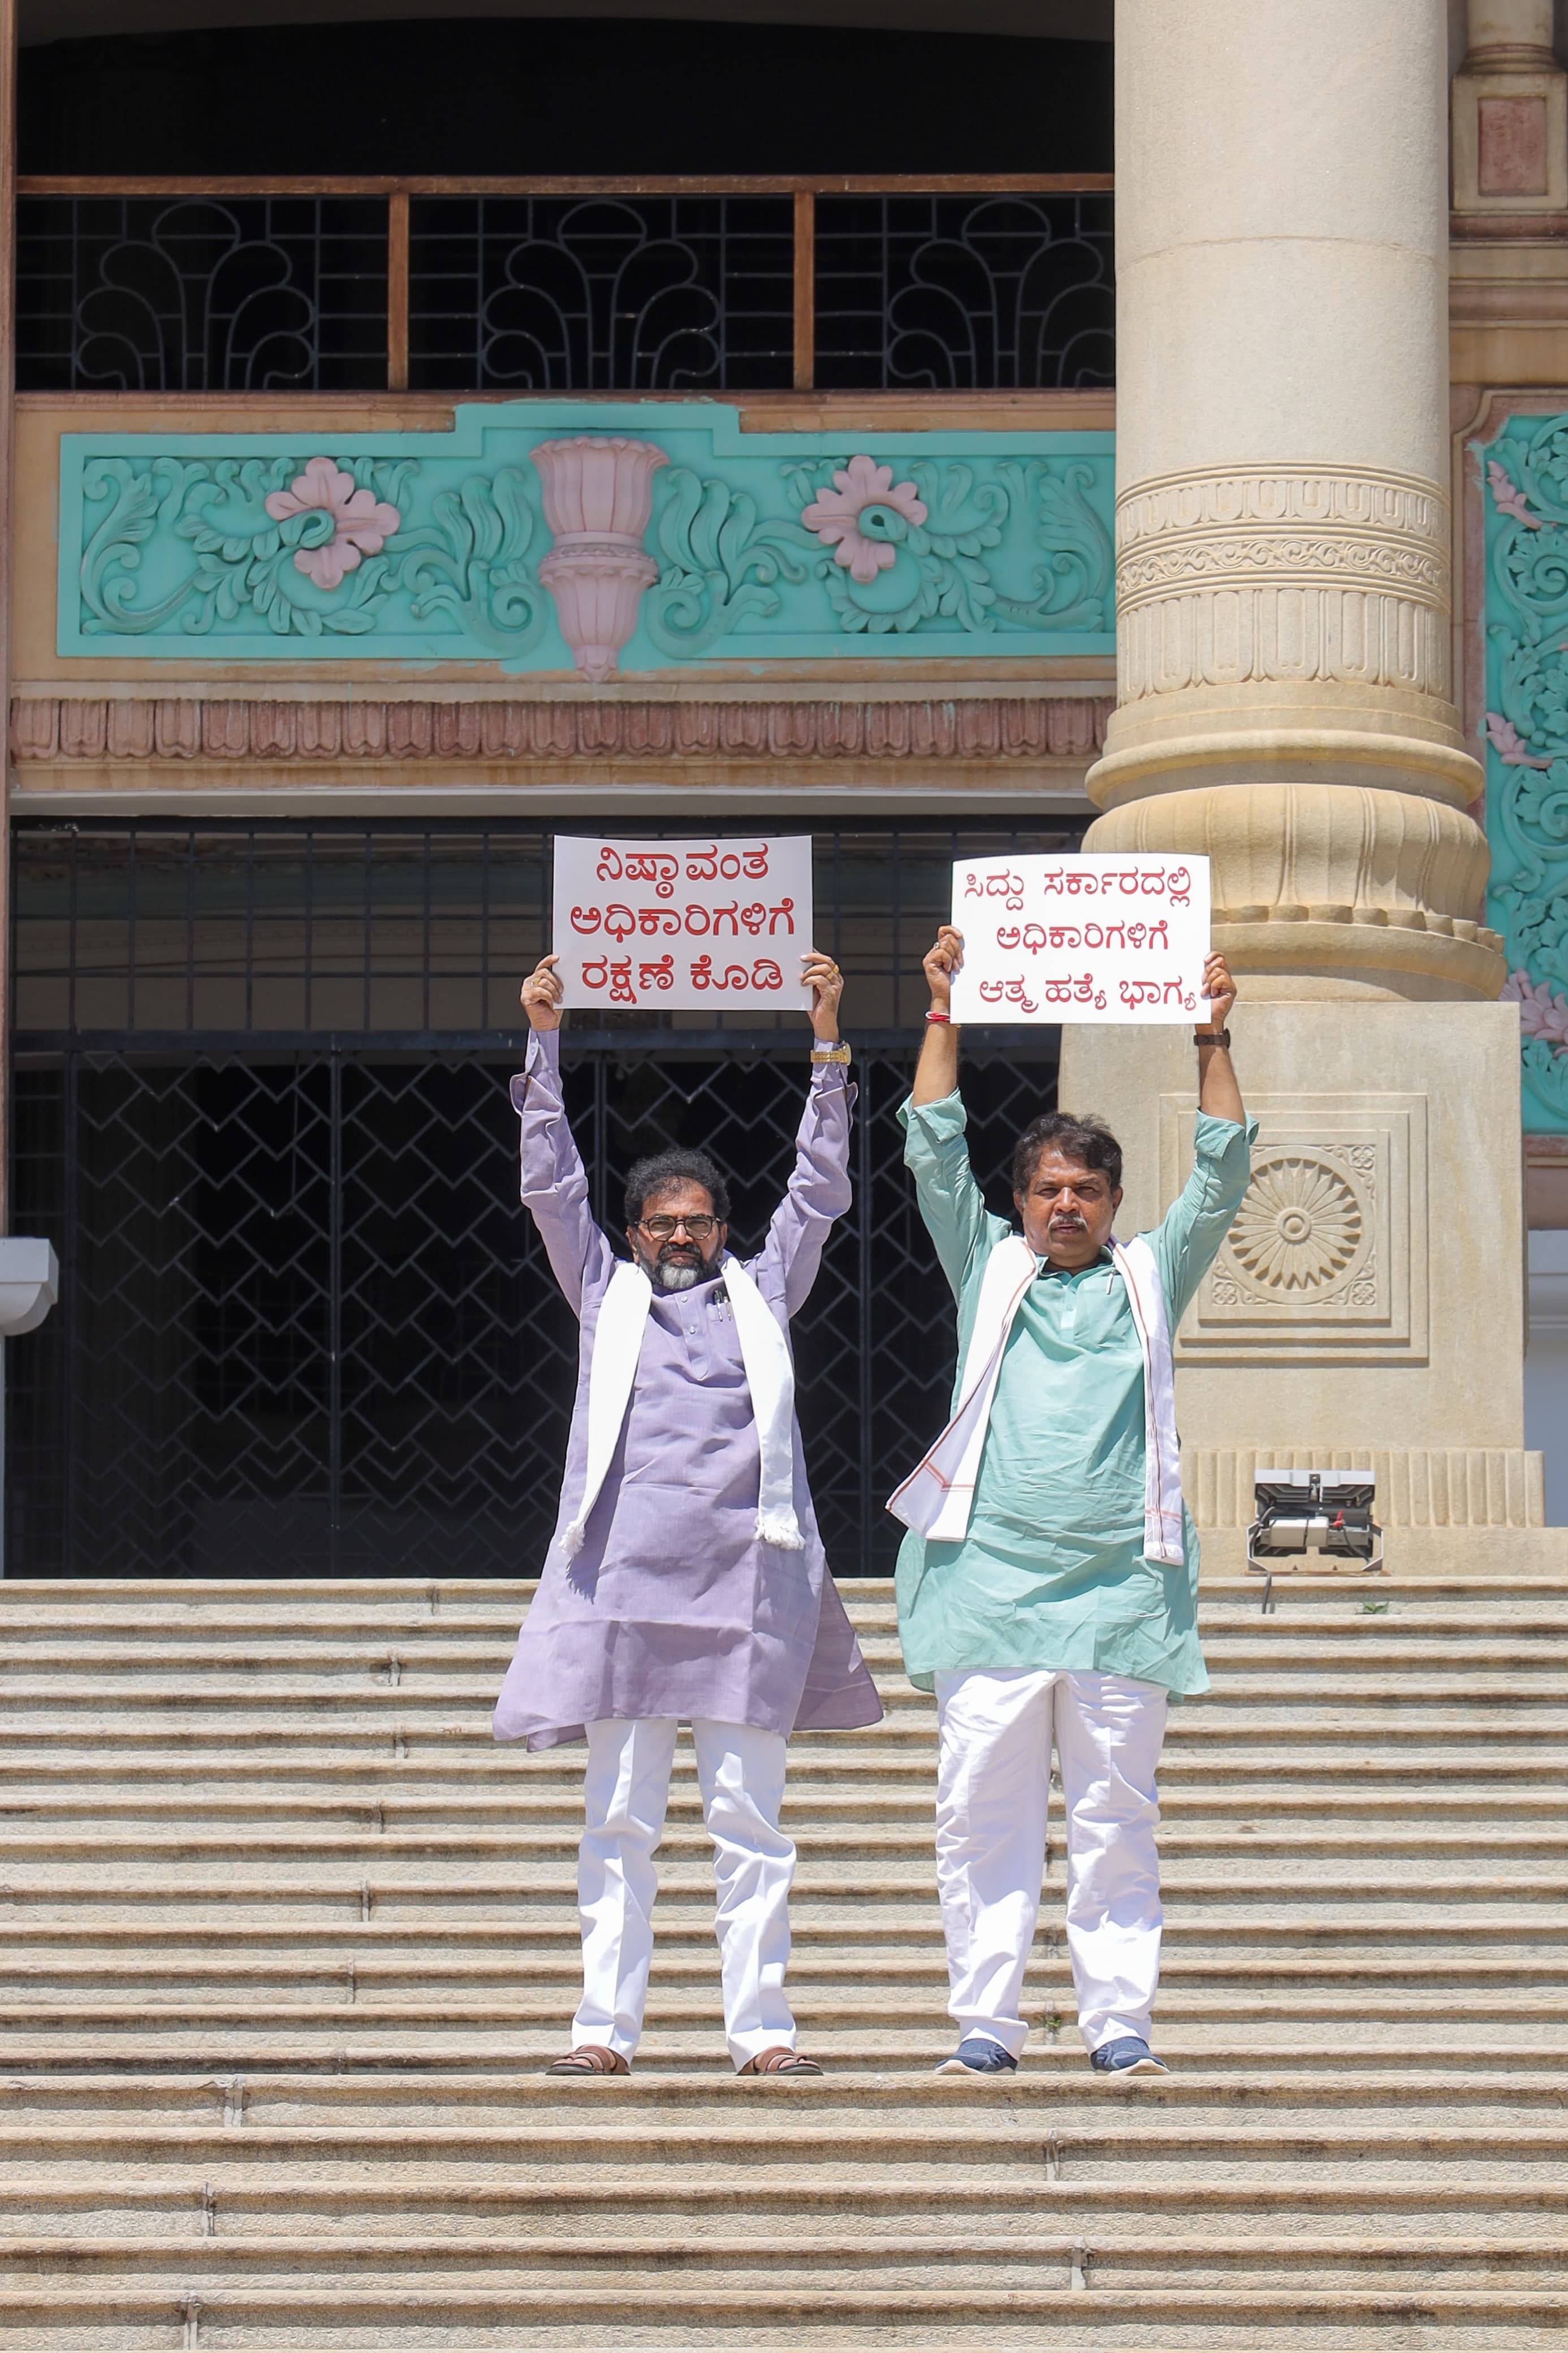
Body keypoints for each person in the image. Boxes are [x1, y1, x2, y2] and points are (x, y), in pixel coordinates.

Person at [493, 946, 882, 2080]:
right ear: (632, 1234)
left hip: (744, 1589)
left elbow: (819, 1192)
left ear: (723, 1230)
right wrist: (544, 1038)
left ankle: (760, 2033)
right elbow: (548, 1184)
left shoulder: (761, 1295)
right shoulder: (603, 1296)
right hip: (625, 1592)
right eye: (661, 1222)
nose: (679, 1237)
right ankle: (602, 2031)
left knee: (749, 1824)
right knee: (617, 1822)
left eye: (699, 1221)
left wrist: (825, 1043)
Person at [890, 926, 1253, 2081]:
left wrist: (1210, 1031)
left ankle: (1117, 2027)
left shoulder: (1151, 1275)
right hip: (988, 1587)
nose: (1064, 1206)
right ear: (1021, 1198)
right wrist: (942, 1005)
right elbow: (930, 1148)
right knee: (979, 1820)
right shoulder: (986, 1267)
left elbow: (1226, 1165)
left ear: (1110, 1202)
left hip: (1117, 1594)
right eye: (1046, 1188)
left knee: (1114, 1822)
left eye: (1085, 1190)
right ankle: (986, 2027)